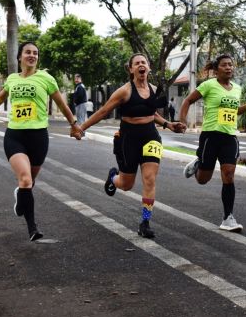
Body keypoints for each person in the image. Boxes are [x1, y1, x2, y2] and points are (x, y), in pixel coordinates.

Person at [0, 41, 82, 242]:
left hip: (38, 137)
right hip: (15, 136)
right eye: (28, 52)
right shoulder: (12, 79)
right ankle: (32, 228)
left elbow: (62, 104)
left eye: (35, 53)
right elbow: (0, 97)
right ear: (20, 57)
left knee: (29, 182)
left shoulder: (46, 78)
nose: (32, 55)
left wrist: (74, 124)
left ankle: (21, 198)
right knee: (26, 179)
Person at [72, 53, 186, 238]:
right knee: (126, 184)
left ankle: (145, 222)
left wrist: (168, 124)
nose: (141, 65)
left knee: (149, 179)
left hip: (151, 137)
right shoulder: (124, 91)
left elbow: (152, 114)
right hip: (128, 139)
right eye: (137, 63)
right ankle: (112, 178)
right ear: (131, 69)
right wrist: (82, 127)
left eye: (144, 63)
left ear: (148, 68)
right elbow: (103, 111)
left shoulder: (154, 90)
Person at [179, 54, 246, 232]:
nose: (229, 68)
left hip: (230, 137)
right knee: (203, 180)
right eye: (225, 65)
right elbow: (188, 101)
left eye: (231, 65)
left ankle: (228, 218)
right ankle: (198, 163)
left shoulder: (237, 89)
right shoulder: (209, 85)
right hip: (210, 136)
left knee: (229, 174)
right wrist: (182, 120)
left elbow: (234, 111)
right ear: (217, 69)